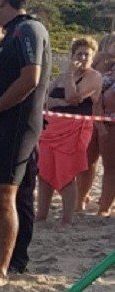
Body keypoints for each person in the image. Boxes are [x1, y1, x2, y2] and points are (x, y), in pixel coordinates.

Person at [0, 0, 51, 291]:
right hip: (5, 121)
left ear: (2, 3)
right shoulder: (9, 36)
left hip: (18, 122)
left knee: (6, 194)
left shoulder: (28, 29)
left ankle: (1, 269)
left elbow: (30, 78)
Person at [37, 37, 102, 226]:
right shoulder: (62, 76)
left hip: (74, 128)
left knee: (67, 171)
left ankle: (67, 218)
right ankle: (41, 214)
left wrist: (71, 76)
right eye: (78, 54)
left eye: (86, 54)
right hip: (51, 126)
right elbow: (46, 99)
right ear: (72, 55)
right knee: (45, 170)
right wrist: (67, 80)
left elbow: (73, 98)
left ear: (93, 57)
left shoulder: (93, 76)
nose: (82, 58)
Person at [80, 33, 115, 214]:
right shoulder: (99, 63)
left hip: (109, 119)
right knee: (87, 161)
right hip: (93, 117)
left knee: (110, 166)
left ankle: (104, 207)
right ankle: (81, 200)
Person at [96, 51, 115, 216]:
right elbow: (97, 97)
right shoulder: (109, 70)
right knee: (109, 168)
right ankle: (104, 206)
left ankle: (105, 206)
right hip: (108, 123)